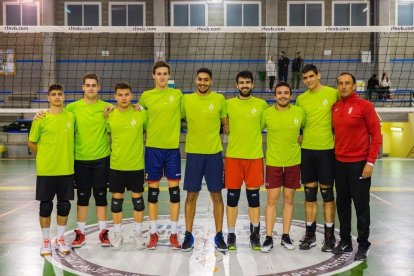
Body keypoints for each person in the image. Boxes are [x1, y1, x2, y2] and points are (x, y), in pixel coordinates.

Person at [332, 72, 381, 261]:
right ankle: (345, 241)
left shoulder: (365, 106)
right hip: (339, 163)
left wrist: (370, 162)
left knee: (361, 206)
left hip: (359, 164)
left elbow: (376, 136)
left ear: (354, 86)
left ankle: (363, 244)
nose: (343, 86)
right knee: (342, 205)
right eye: (340, 83)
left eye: (347, 83)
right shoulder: (335, 108)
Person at [180, 68, 229, 252]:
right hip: (193, 154)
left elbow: (227, 125)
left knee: (216, 196)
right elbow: (167, 114)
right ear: (195, 80)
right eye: (200, 79)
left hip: (214, 154)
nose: (202, 82)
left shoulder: (219, 100)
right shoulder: (186, 100)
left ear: (211, 81)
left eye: (206, 80)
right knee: (191, 195)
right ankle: (188, 235)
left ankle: (219, 235)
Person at [138, 61, 183, 250]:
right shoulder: (145, 97)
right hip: (153, 150)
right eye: (159, 74)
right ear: (153, 76)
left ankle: (173, 234)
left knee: (174, 194)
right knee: (153, 194)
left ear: (169, 76)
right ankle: (153, 233)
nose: (162, 77)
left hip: (172, 150)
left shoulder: (177, 95)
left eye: (165, 74)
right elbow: (135, 116)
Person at [296, 64, 338, 252]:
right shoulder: (300, 99)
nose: (308, 80)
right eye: (305, 78)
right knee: (309, 195)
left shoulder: (332, 93)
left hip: (327, 151)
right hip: (307, 151)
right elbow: (299, 124)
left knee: (327, 194)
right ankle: (310, 234)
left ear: (318, 75)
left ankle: (329, 237)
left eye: (311, 76)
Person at [28, 84, 75, 256]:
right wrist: (45, 155)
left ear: (64, 97)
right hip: (46, 171)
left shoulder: (71, 116)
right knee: (45, 206)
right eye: (53, 94)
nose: (57, 97)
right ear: (48, 98)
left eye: (60, 94)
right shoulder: (40, 118)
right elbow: (32, 142)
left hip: (66, 170)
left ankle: (60, 239)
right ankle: (46, 241)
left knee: (64, 206)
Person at [225, 70, 269, 251]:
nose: (245, 85)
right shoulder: (227, 104)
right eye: (241, 82)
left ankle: (255, 234)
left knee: (254, 199)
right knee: (232, 199)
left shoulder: (262, 105)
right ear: (237, 85)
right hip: (233, 157)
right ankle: (231, 234)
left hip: (254, 157)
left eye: (248, 82)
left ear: (252, 84)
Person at [67, 73, 112, 248]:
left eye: (94, 85)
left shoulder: (107, 107)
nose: (91, 88)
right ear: (83, 87)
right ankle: (80, 233)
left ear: (99, 87)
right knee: (83, 197)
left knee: (101, 196)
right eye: (88, 85)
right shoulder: (72, 108)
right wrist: (42, 113)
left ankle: (103, 232)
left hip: (102, 158)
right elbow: (58, 116)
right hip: (81, 159)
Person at [260, 82, 305, 253]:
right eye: (279, 93)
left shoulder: (299, 112)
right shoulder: (267, 114)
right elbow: (255, 129)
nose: (283, 95)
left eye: (286, 93)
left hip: (293, 162)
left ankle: (286, 235)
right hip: (273, 162)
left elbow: (305, 130)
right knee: (272, 200)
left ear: (291, 95)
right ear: (275, 96)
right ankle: (269, 237)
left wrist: (301, 137)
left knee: (289, 200)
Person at [106, 82, 147, 250]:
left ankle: (138, 235)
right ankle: (117, 234)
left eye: (127, 94)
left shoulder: (141, 114)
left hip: (136, 165)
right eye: (120, 95)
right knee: (116, 202)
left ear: (131, 95)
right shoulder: (109, 115)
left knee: (138, 202)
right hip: (116, 165)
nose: (124, 98)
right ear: (115, 97)